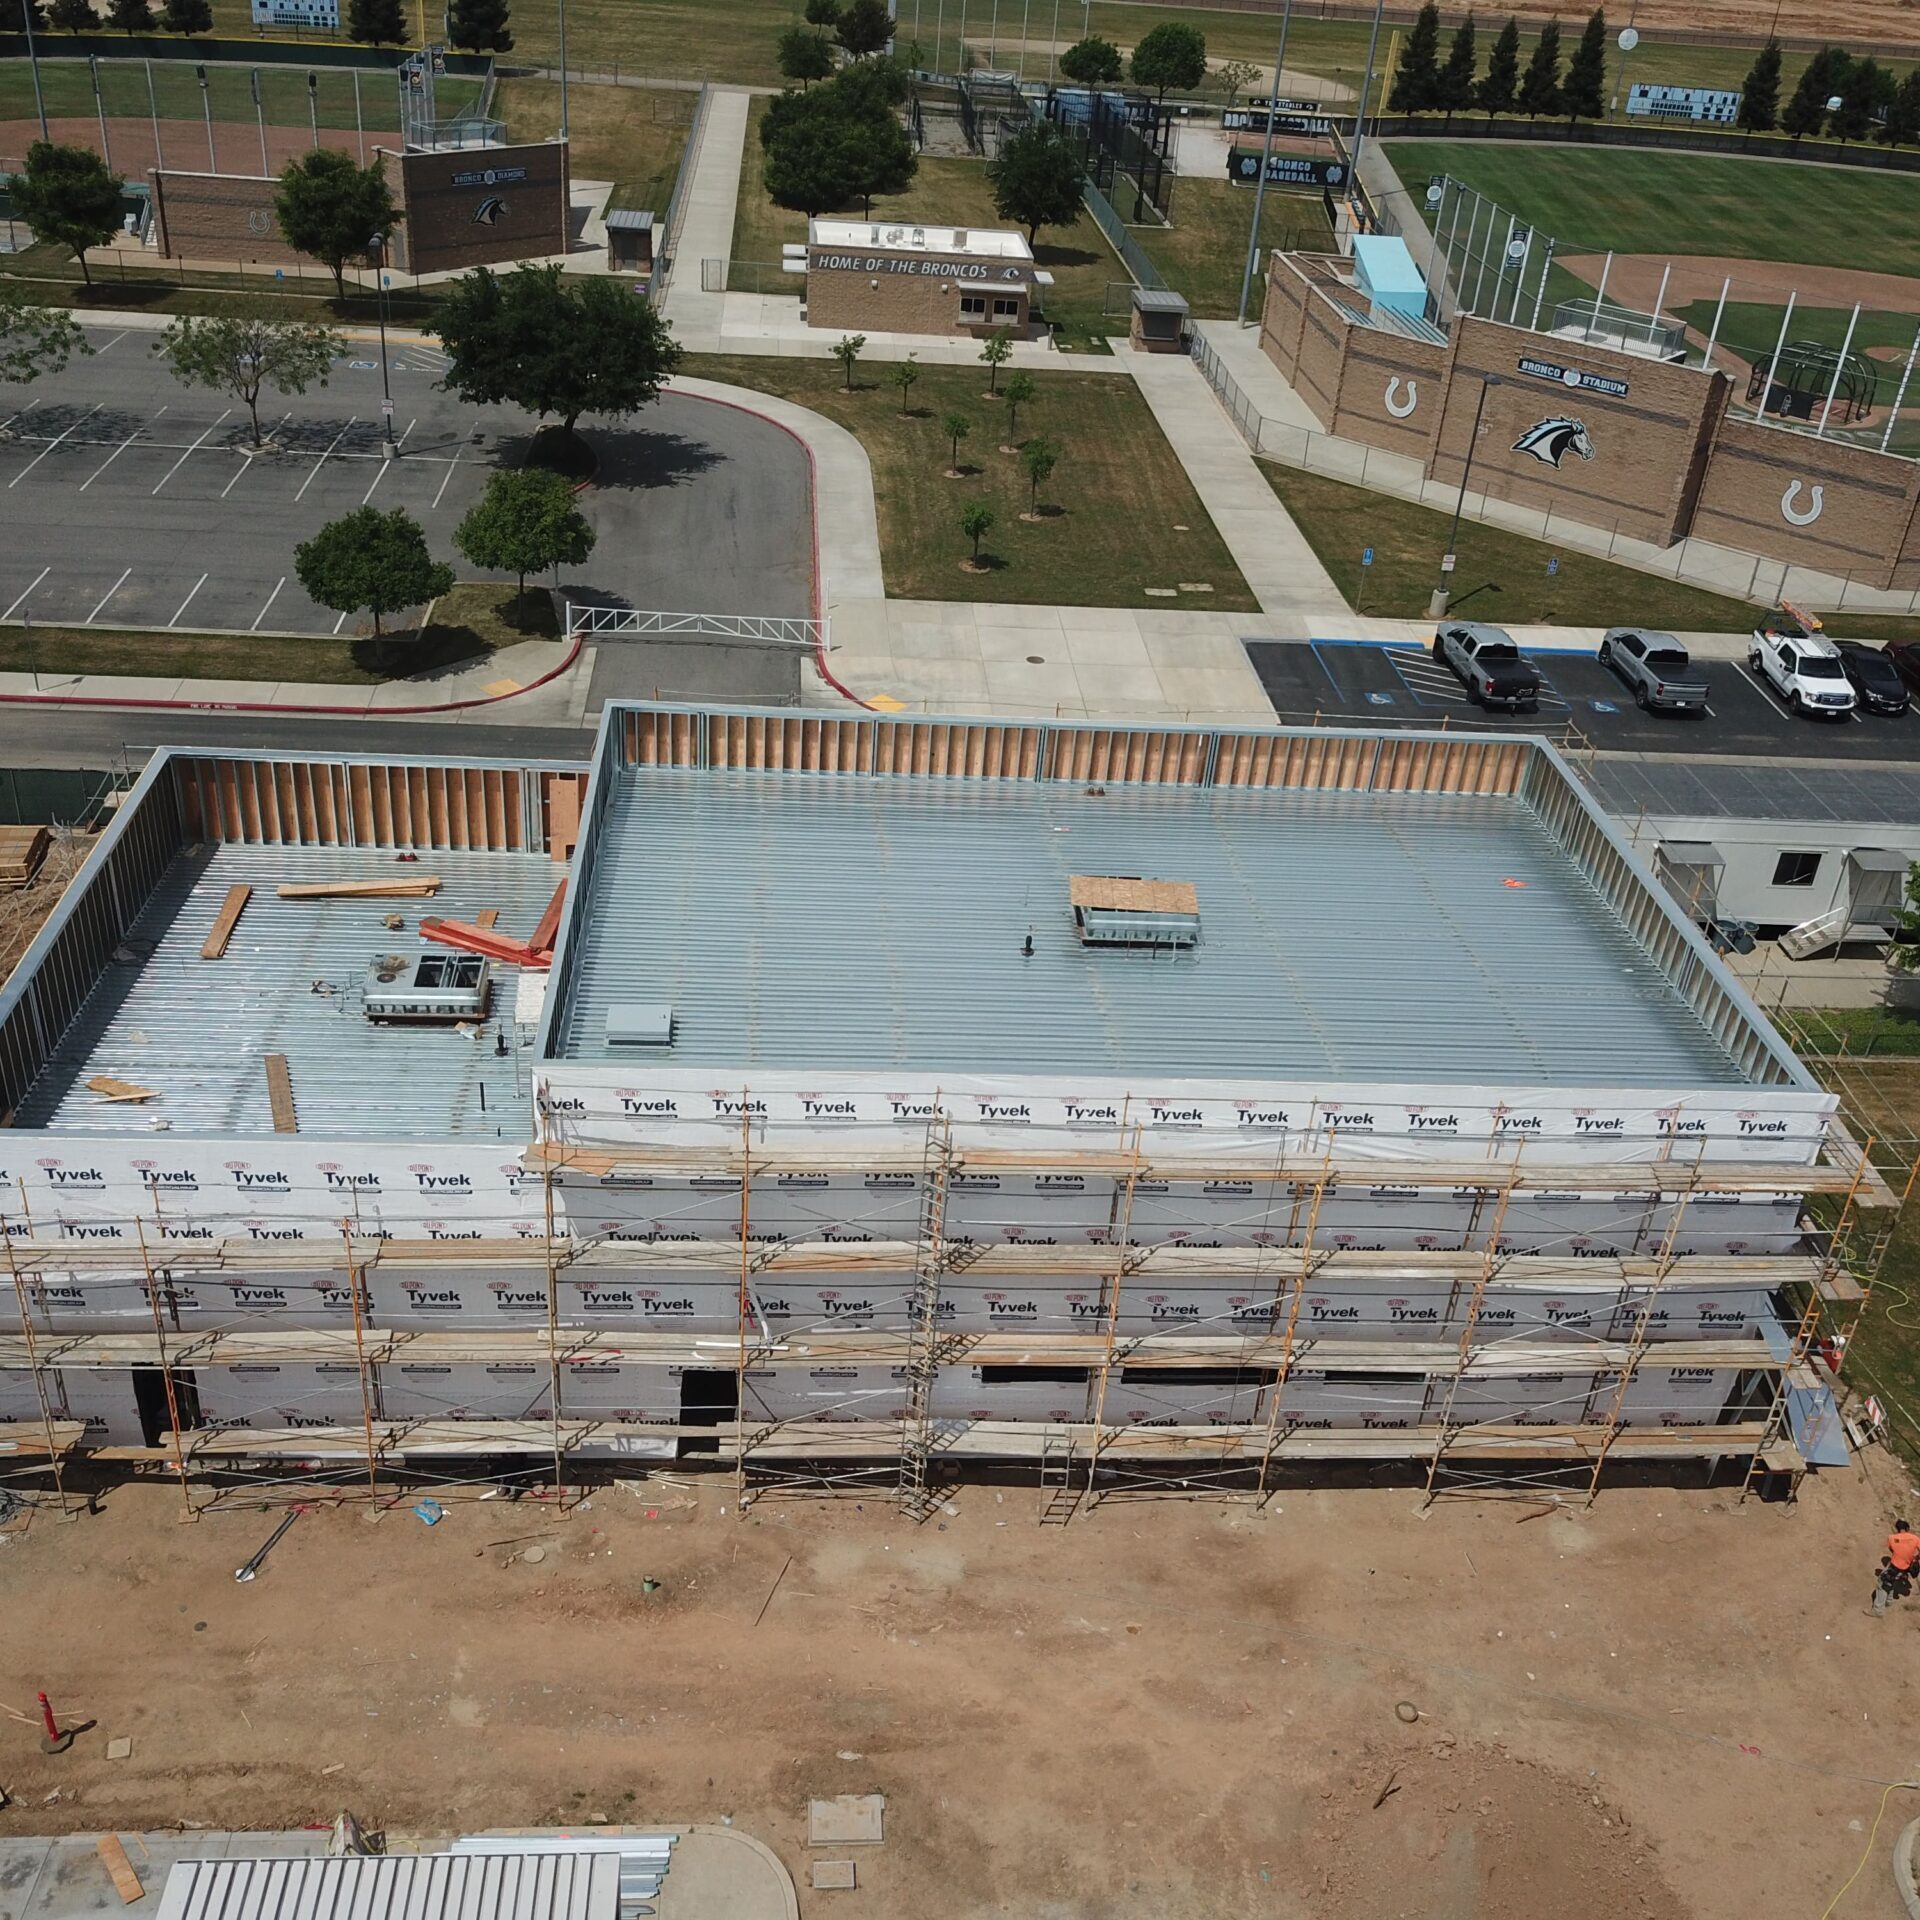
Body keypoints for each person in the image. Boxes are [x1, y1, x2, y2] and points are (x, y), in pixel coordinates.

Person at [1871, 1519, 1920, 1615]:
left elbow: (1892, 1550)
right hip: (1906, 1567)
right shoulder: (1915, 1538)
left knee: (1882, 1584)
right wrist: (1916, 1558)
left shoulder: (1891, 1538)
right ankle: (1888, 1601)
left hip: (1895, 1565)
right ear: (1907, 1528)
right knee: (1891, 1581)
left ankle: (1878, 1610)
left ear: (1897, 1529)